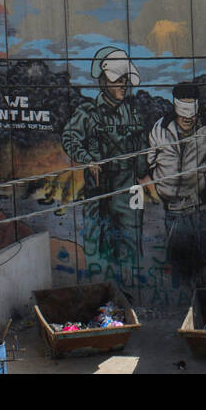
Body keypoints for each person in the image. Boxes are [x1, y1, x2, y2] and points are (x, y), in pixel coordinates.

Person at [61, 47, 153, 283]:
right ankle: (103, 293)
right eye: (117, 81)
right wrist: (87, 159)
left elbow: (142, 146)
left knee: (130, 244)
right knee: (97, 245)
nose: (123, 85)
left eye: (125, 81)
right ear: (103, 82)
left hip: (127, 189)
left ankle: (130, 293)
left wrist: (144, 173)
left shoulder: (133, 113)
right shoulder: (88, 113)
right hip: (99, 190)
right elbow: (70, 137)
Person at [149, 82, 206, 285]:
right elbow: (150, 160)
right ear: (175, 106)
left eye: (191, 110)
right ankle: (182, 309)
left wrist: (205, 185)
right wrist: (162, 189)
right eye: (182, 109)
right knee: (179, 264)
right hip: (175, 210)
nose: (187, 117)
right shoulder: (160, 130)